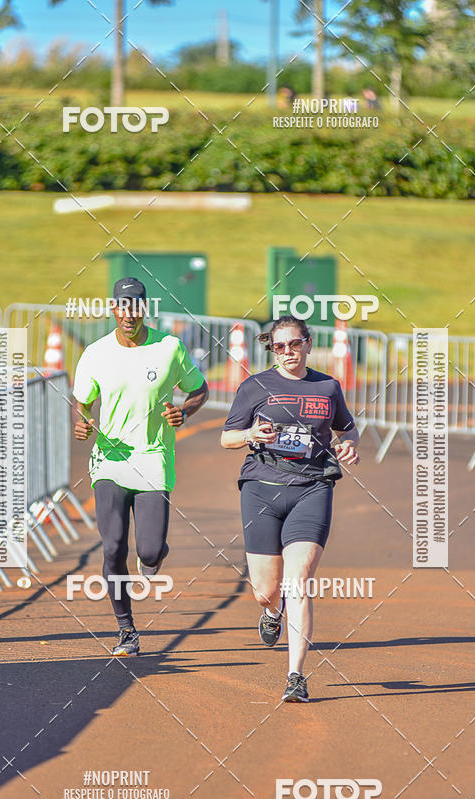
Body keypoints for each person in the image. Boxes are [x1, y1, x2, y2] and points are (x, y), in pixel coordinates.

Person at [221, 315, 359, 702]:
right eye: (278, 347)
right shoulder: (255, 386)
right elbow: (227, 437)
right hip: (261, 489)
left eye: (293, 344)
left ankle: (295, 675)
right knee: (266, 590)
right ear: (272, 350)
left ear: (308, 344)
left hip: (312, 489)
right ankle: (271, 612)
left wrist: (350, 443)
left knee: (298, 581)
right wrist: (249, 434)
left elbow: (347, 427)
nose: (286, 353)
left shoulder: (327, 387)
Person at [73, 277, 209, 656]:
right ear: (113, 309)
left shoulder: (169, 348)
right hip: (109, 461)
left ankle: (154, 551)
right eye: (121, 307)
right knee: (113, 546)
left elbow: (199, 389)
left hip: (152, 459)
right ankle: (126, 630)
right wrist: (82, 421)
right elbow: (82, 402)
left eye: (135, 307)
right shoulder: (96, 354)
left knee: (148, 553)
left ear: (143, 309)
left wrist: (185, 410)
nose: (128, 314)